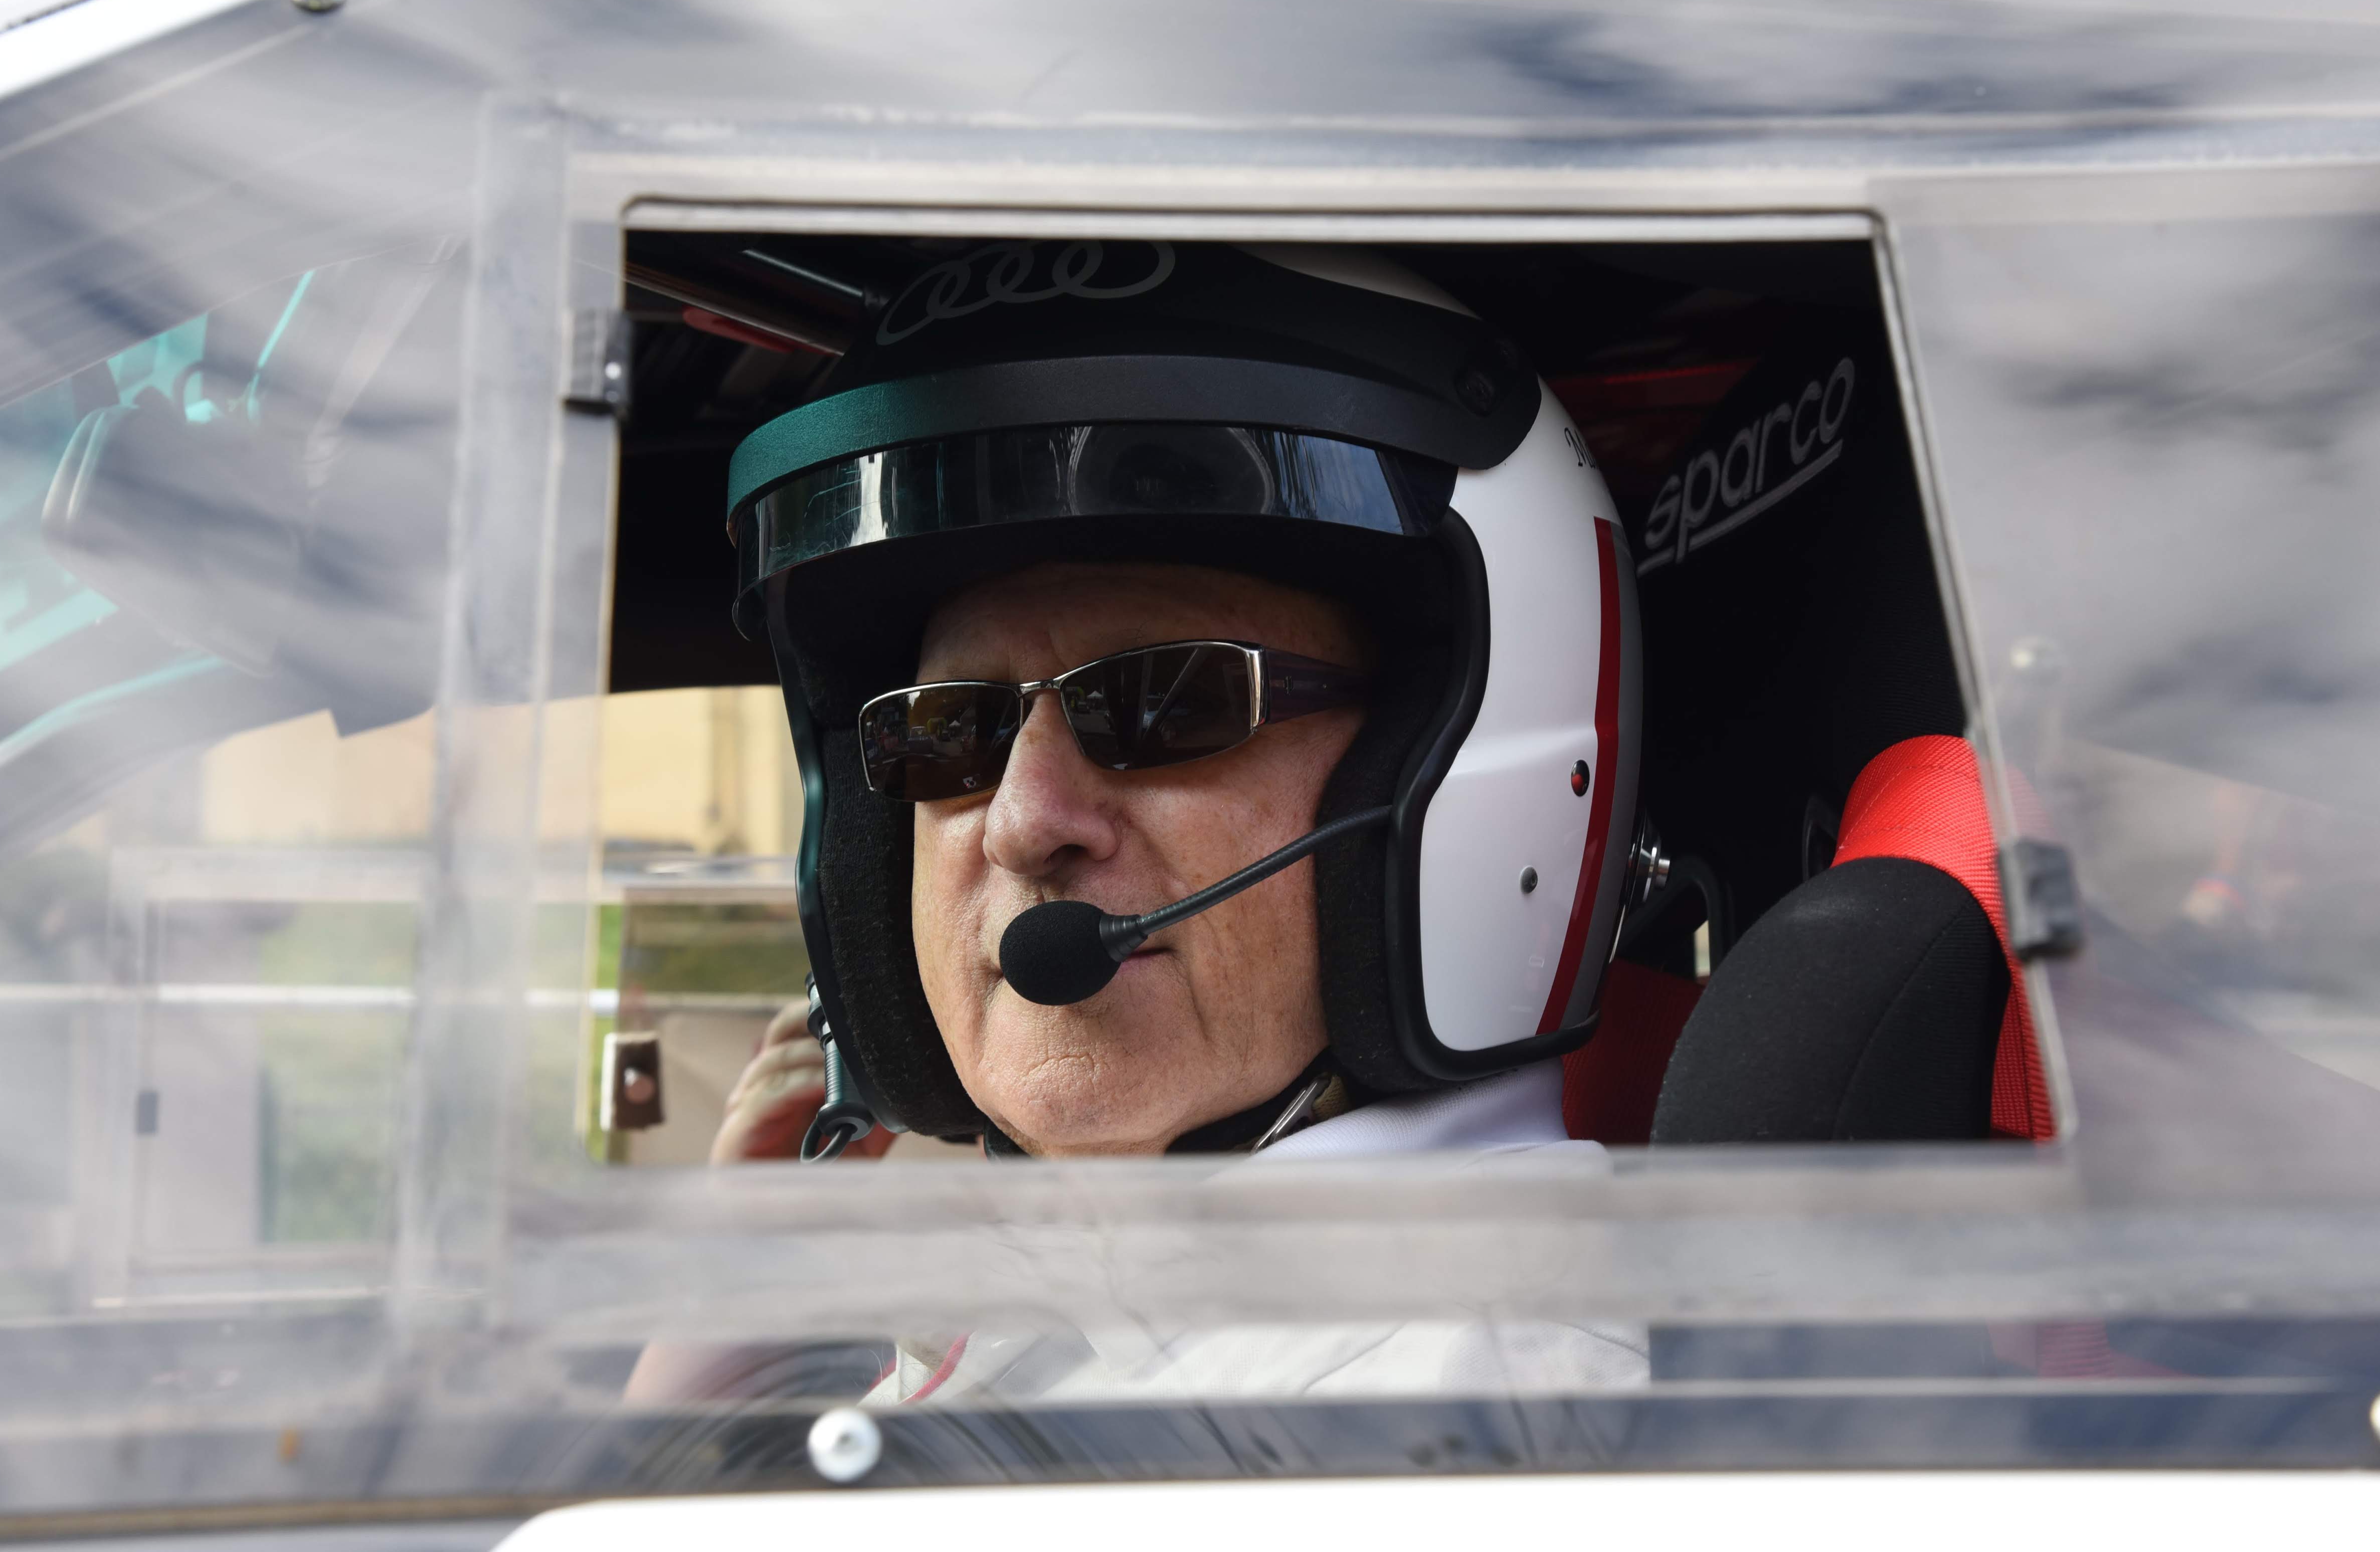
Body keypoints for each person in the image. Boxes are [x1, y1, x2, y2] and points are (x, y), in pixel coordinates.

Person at [634, 239, 1651, 1401]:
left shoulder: (1482, 1413)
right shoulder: (1067, 1332)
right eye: (947, 730)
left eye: (1167, 703)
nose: (1024, 821)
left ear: (1442, 773)